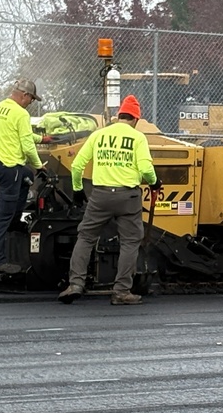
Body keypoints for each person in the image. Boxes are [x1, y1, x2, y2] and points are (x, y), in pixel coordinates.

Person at [58, 95, 160, 306]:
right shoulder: (138, 138)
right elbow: (145, 169)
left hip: (100, 196)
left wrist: (78, 189)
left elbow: (77, 165)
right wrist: (155, 182)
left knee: (85, 237)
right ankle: (121, 291)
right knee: (130, 241)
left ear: (118, 116)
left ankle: (75, 284)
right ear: (136, 119)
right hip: (128, 198)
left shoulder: (99, 135)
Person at [0, 78, 46, 273]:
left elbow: (21, 134)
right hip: (9, 167)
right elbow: (27, 145)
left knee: (25, 177)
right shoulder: (21, 113)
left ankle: (15, 219)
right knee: (2, 215)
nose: (31, 103)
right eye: (31, 99)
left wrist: (43, 138)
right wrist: (39, 166)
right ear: (24, 95)